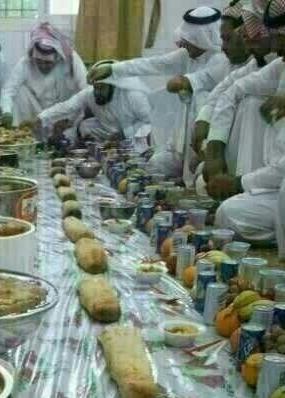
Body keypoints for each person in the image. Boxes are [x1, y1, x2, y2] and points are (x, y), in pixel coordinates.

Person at [89, 6, 224, 181]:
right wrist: (112, 70)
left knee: (195, 180)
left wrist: (183, 81)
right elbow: (152, 64)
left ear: (202, 39)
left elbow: (194, 81)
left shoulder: (220, 60)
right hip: (181, 135)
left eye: (188, 40)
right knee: (155, 165)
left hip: (207, 136)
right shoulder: (187, 55)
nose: (182, 44)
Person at [209, 0, 285, 259]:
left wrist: (239, 183)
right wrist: (214, 147)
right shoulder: (280, 66)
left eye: (280, 38)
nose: (276, 47)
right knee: (229, 212)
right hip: (275, 181)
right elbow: (234, 89)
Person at [192, 2, 272, 182]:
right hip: (247, 169)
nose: (248, 42)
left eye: (228, 39)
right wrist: (205, 125)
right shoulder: (256, 63)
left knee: (252, 104)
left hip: (266, 173)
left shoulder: (272, 63)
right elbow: (225, 92)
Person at [37, 60, 151, 148]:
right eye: (95, 87)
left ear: (113, 86)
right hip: (106, 134)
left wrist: (125, 133)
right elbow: (67, 106)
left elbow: (150, 122)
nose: (96, 92)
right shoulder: (90, 93)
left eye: (101, 88)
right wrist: (41, 118)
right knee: (85, 126)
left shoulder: (133, 96)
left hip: (131, 137)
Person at [0, 22, 88, 127]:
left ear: (58, 56)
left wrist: (69, 118)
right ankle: (21, 132)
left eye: (47, 62)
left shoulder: (71, 60)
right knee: (20, 91)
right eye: (38, 61)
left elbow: (86, 91)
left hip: (64, 113)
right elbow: (8, 89)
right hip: (35, 112)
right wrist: (6, 112)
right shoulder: (26, 62)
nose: (42, 66)